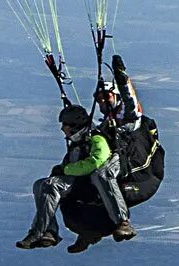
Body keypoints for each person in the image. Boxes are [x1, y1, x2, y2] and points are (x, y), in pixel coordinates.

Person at [16, 98, 136, 250]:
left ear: (74, 126)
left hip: (87, 183)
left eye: (64, 125)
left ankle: (38, 232)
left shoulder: (97, 139)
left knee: (50, 185)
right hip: (80, 180)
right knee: (41, 185)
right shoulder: (78, 141)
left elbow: (95, 162)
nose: (62, 129)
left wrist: (66, 169)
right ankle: (49, 231)